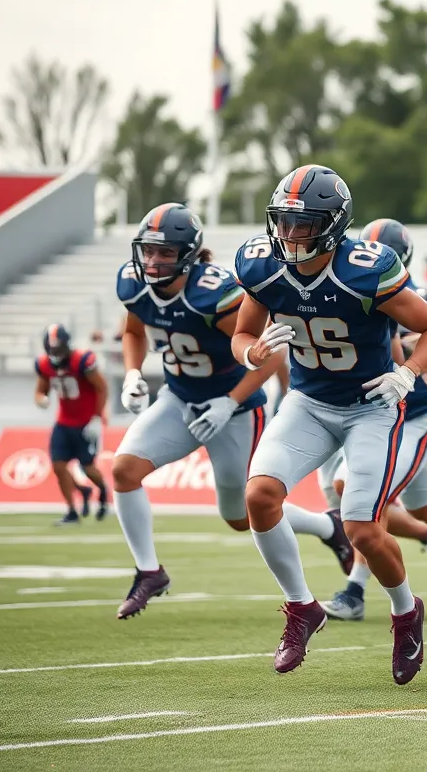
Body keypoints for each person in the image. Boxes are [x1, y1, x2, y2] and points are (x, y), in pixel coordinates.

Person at [232, 164, 427, 682]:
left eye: (301, 222)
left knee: (362, 529)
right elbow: (242, 334)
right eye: (282, 222)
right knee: (260, 496)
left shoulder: (365, 269)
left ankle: (405, 611)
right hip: (308, 401)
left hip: (371, 406)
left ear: (331, 224)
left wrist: (409, 373)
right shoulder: (264, 266)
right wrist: (253, 353)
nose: (288, 234)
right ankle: (301, 607)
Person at [111, 203, 351, 620]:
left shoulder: (214, 294)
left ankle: (331, 529)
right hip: (180, 397)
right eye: (148, 251)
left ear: (188, 253)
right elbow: (133, 331)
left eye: (165, 252)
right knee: (123, 471)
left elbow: (271, 357)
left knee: (241, 515)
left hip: (234, 409)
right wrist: (133, 373)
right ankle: (149, 571)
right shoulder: (133, 283)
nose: (152, 261)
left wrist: (230, 401)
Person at [320, 218, 427, 623]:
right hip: (378, 415)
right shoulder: (349, 290)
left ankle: (356, 590)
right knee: (423, 505)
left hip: (416, 416)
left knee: (363, 495)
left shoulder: (412, 297)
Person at [34, 324, 109, 525]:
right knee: (58, 466)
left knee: (88, 468)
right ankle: (72, 510)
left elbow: (102, 388)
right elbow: (40, 391)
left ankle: (102, 489)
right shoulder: (44, 364)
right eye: (52, 349)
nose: (55, 353)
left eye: (58, 348)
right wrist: (42, 399)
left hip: (85, 422)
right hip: (64, 421)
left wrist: (97, 417)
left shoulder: (82, 361)